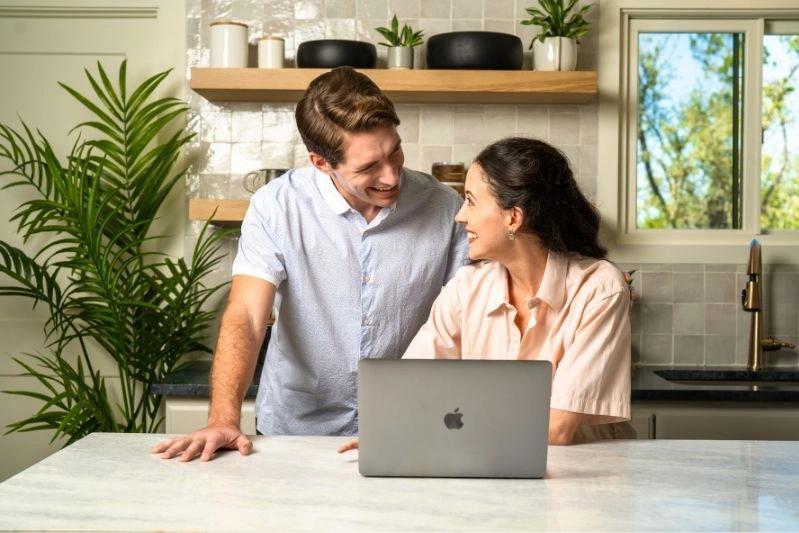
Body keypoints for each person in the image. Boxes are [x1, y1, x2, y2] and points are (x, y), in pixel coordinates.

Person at [152, 67, 468, 462]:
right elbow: (247, 314)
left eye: (395, 153)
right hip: (295, 430)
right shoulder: (276, 206)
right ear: (321, 162)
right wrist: (222, 419)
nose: (391, 177)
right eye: (368, 167)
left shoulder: (444, 206)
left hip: (407, 426)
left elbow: (468, 319)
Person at [338, 137, 633, 453]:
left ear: (513, 217)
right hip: (487, 463)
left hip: (582, 473)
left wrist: (424, 429)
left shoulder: (600, 288)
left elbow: (558, 428)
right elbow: (412, 387)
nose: (460, 216)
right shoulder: (466, 287)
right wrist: (388, 429)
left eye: (471, 201)